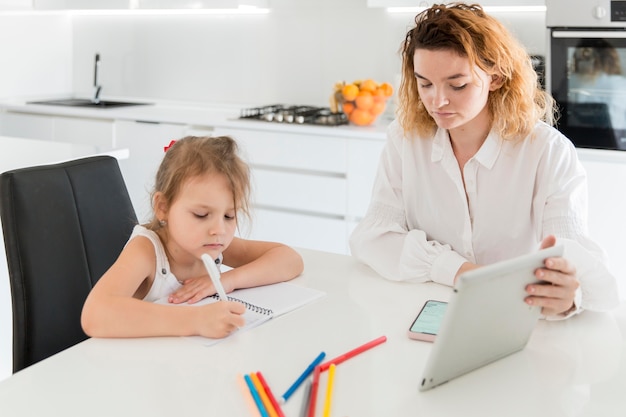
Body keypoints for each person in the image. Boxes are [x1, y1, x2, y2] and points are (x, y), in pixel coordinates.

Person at [349, 3, 619, 318]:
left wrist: (568, 295)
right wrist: (460, 271)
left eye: (457, 84)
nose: (438, 101)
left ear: (496, 77)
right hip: (427, 313)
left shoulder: (548, 151)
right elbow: (371, 238)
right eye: (425, 83)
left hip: (516, 317)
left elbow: (581, 267)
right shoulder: (405, 140)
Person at [81, 136, 304, 338]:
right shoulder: (147, 251)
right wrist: (196, 320)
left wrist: (225, 282)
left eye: (229, 215)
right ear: (163, 207)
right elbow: (95, 314)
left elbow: (290, 259)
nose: (219, 229)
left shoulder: (214, 245)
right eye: (201, 215)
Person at [568, 41, 626, 129]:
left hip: (575, 135)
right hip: (613, 138)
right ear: (611, 60)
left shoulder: (570, 81)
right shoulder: (620, 83)